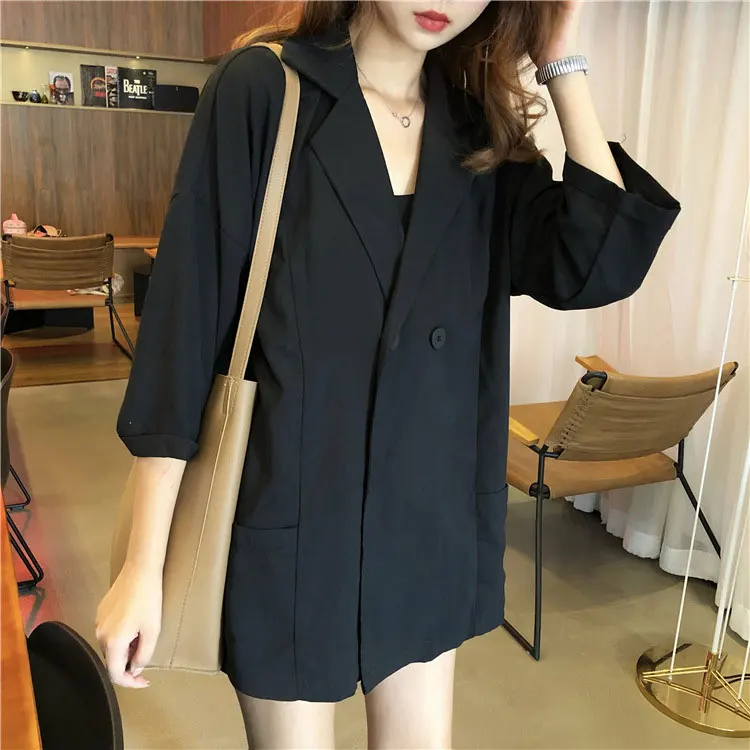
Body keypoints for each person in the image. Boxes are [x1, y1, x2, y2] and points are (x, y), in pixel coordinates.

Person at [96, 1, 680, 747]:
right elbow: (184, 332)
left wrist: (558, 58)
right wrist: (143, 565)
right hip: (292, 522)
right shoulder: (265, 90)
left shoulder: (476, 131)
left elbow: (592, 266)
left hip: (426, 525)